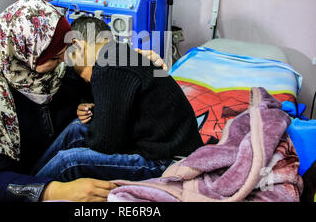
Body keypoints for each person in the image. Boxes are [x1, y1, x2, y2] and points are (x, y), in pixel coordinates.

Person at [0, 0, 117, 202]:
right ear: (25, 55)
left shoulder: (58, 66)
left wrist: (138, 66)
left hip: (42, 164)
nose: (65, 60)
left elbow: (102, 85)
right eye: (54, 57)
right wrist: (55, 191)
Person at [31, 16, 204, 183]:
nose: (86, 80)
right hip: (152, 142)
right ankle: (26, 179)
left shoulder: (108, 66)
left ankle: (24, 193)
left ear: (78, 46)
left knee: (68, 161)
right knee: (76, 128)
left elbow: (104, 143)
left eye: (81, 73)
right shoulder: (118, 53)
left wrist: (100, 124)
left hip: (167, 159)